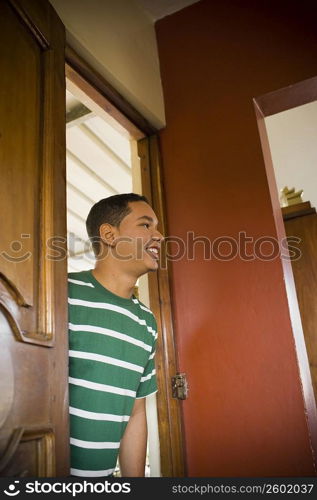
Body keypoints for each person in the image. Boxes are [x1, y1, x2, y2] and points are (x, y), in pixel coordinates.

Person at [68, 193, 164, 478]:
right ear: (109, 234)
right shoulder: (61, 294)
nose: (159, 236)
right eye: (146, 225)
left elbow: (136, 414)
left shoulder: (147, 323)